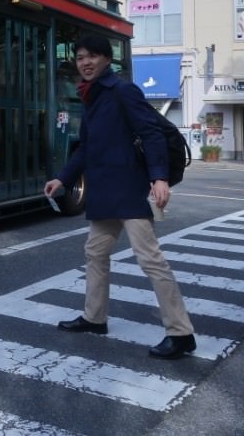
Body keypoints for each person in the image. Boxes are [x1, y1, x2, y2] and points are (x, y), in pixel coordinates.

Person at [43, 33, 196, 359]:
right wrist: (63, 178)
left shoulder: (122, 90)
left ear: (106, 59)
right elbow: (86, 147)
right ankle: (95, 318)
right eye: (80, 56)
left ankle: (181, 333)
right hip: (104, 192)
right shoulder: (92, 96)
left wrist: (159, 177)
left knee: (150, 259)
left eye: (91, 56)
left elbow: (151, 132)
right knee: (95, 253)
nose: (84, 62)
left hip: (127, 189)